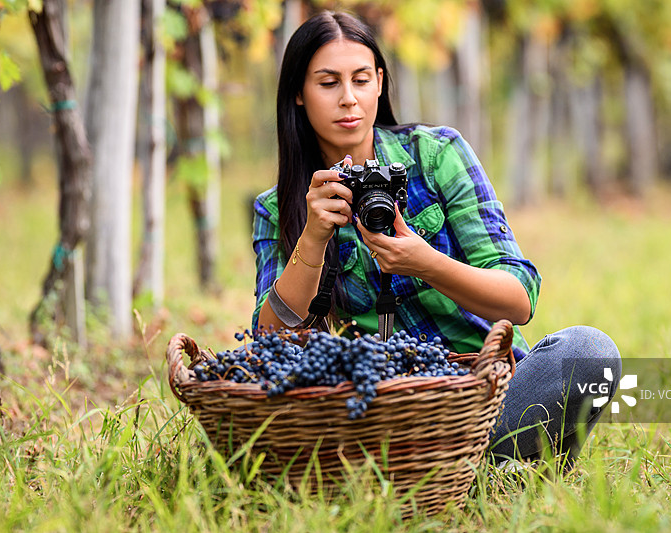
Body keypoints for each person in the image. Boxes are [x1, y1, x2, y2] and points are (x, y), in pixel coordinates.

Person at [251, 10, 621, 466]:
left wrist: (424, 262)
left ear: (380, 84)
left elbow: (519, 300)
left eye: (361, 80)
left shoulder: (435, 155)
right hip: (383, 411)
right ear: (299, 95)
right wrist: (311, 240)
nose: (349, 99)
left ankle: (446, 464)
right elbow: (267, 345)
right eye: (328, 83)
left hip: (482, 391)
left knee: (589, 354)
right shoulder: (279, 206)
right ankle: (486, 465)